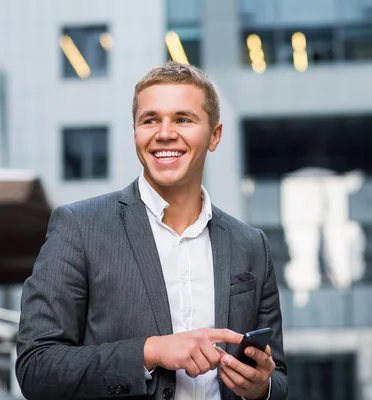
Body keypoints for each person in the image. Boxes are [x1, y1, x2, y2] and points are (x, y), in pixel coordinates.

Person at [15, 62, 288, 400]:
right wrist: (150, 352)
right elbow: (36, 368)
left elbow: (279, 376)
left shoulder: (251, 245)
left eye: (183, 119)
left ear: (214, 136)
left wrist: (262, 388)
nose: (164, 133)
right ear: (135, 134)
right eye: (150, 120)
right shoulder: (78, 227)